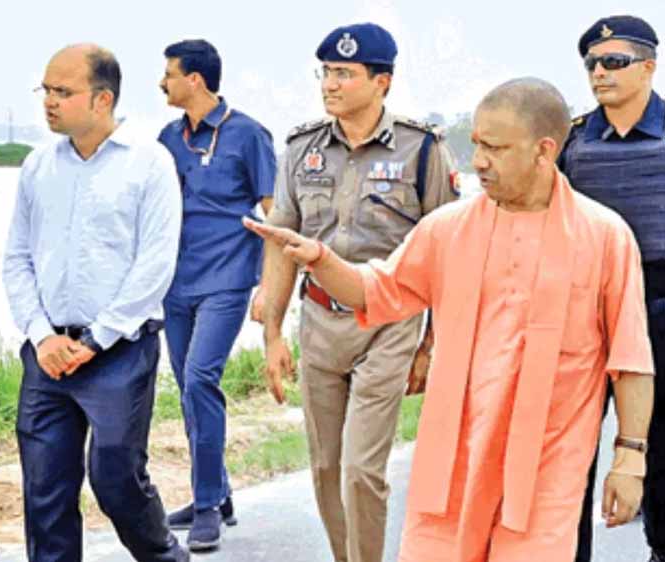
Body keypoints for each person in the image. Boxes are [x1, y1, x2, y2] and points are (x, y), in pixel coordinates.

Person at [245, 77, 655, 562]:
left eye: (495, 148)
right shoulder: (448, 229)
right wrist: (320, 259)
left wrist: (629, 458)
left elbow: (630, 358)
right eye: (477, 144)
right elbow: (376, 291)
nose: (478, 161)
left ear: (544, 151)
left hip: (547, 467)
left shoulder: (604, 236)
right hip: (453, 461)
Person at [259, 22, 459, 562]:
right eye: (326, 72)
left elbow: (447, 252)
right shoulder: (300, 147)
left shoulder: (422, 149)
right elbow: (280, 241)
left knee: (361, 470)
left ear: (381, 82)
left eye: (345, 74)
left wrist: (431, 344)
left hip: (389, 324)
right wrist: (273, 333)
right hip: (320, 322)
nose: (330, 84)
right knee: (325, 468)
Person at [2, 43, 187, 562]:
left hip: (118, 351)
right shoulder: (38, 167)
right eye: (46, 90)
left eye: (63, 92)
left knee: (116, 479)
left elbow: (155, 266)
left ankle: (165, 557)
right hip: (48, 355)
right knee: (45, 490)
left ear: (102, 99)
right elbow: (17, 259)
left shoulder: (149, 164)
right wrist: (42, 336)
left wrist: (95, 339)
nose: (49, 101)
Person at [155, 38, 276, 551]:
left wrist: (271, 287)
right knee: (188, 387)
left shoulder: (248, 134)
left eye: (169, 74)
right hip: (175, 283)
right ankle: (218, 492)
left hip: (227, 278)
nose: (162, 83)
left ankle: (206, 505)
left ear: (195, 80)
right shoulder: (168, 138)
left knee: (201, 379)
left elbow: (275, 214)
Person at [559, 15, 665, 562]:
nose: (599, 72)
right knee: (569, 451)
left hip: (659, 305)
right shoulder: (572, 140)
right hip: (586, 311)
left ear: (649, 66)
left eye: (614, 62)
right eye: (592, 64)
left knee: (660, 446)